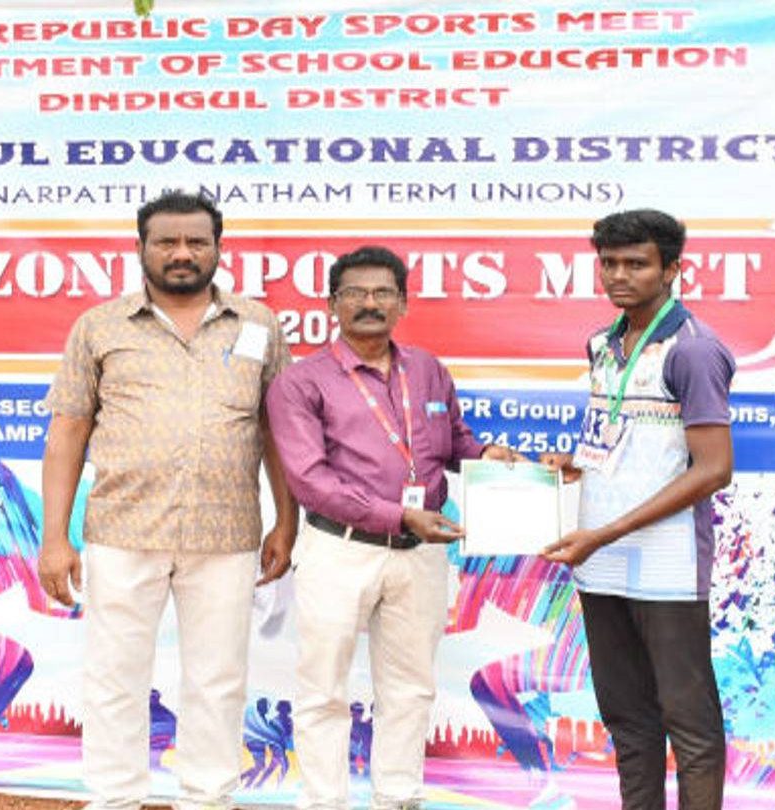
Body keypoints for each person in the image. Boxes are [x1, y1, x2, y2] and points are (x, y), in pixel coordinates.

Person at [37, 189, 298, 810]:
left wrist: (287, 522)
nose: (182, 253)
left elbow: (278, 430)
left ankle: (207, 799)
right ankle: (115, 799)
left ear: (218, 249)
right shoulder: (99, 326)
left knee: (217, 680)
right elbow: (68, 430)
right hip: (123, 531)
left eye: (196, 242)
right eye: (168, 242)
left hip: (225, 535)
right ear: (141, 248)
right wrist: (54, 537)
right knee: (115, 677)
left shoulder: (258, 325)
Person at [265, 245, 524, 810]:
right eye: (355, 293)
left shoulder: (428, 370)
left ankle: (398, 797)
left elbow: (454, 441)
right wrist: (400, 515)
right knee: (323, 688)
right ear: (332, 304)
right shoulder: (300, 383)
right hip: (340, 550)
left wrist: (490, 456)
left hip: (419, 554)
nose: (370, 303)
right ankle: (325, 802)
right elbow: (310, 481)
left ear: (403, 304)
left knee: (410, 687)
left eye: (383, 292)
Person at [539, 209, 735, 810]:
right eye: (610, 264)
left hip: (666, 563)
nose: (620, 276)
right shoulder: (602, 343)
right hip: (600, 557)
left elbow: (713, 468)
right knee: (627, 716)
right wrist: (578, 463)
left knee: (688, 720)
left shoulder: (693, 351)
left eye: (637, 264)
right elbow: (625, 439)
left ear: (672, 269)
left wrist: (609, 531)